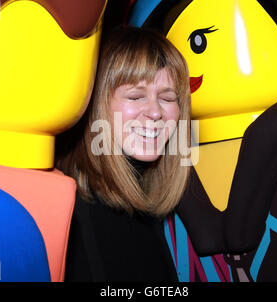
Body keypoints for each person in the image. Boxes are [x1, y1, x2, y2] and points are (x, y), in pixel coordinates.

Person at [57, 26, 192, 281]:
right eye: (135, 96)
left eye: (167, 97)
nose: (155, 112)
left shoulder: (144, 207)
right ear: (96, 104)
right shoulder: (69, 210)